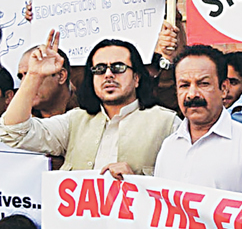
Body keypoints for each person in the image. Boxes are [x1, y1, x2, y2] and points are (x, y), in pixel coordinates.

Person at [0, 31, 180, 175]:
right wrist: (34, 75)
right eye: (99, 69)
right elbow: (13, 132)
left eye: (118, 68)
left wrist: (137, 184)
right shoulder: (74, 121)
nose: (108, 75)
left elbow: (182, 187)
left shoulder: (168, 123)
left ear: (137, 78)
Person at [154, 45, 242, 192]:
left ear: (223, 88)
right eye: (184, 85)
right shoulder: (169, 147)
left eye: (203, 84)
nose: (192, 94)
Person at [17, 46, 78, 118]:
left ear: (61, 76)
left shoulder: (87, 117)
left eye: (35, 75)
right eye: (21, 77)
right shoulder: (21, 121)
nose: (24, 83)